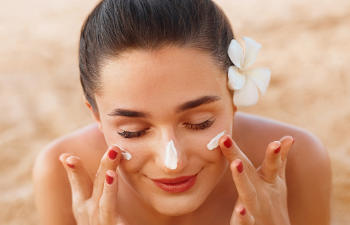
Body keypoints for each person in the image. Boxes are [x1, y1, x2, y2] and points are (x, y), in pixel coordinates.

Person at [32, 0, 332, 225]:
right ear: (96, 116)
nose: (171, 163)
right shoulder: (62, 177)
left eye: (200, 123)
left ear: (233, 97)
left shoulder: (297, 163)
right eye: (132, 131)